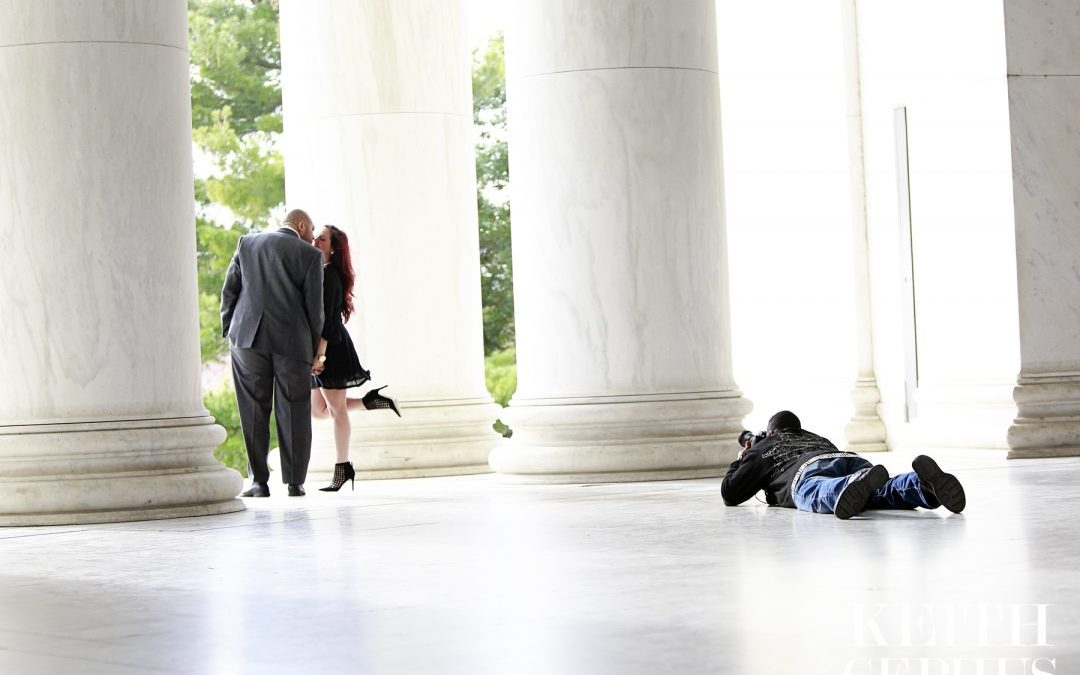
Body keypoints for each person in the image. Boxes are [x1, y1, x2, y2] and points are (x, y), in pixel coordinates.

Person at [221, 209, 325, 498]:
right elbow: (315, 309)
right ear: (301, 225)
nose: (314, 237)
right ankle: (294, 482)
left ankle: (258, 482)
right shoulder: (310, 255)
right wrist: (315, 350)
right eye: (312, 230)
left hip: (246, 338)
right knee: (294, 408)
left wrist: (228, 329)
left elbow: (229, 290)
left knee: (253, 409)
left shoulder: (247, 243)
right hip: (292, 342)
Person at [721, 410, 966, 519]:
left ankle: (852, 484)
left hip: (807, 470)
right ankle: (922, 485)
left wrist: (743, 457)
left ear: (771, 431)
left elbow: (730, 493)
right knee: (881, 490)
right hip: (849, 458)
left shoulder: (766, 446)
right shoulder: (816, 437)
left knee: (814, 489)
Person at [310, 225, 400, 493]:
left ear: (333, 248)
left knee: (335, 411)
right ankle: (371, 400)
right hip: (326, 346)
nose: (316, 240)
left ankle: (343, 468)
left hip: (331, 349)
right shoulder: (325, 272)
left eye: (322, 238)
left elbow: (328, 322)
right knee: (318, 411)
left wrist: (320, 356)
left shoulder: (331, 276)